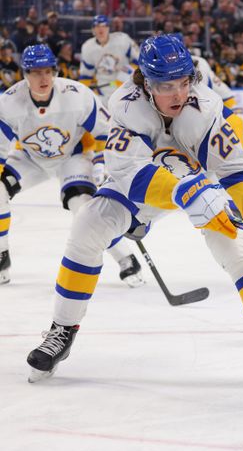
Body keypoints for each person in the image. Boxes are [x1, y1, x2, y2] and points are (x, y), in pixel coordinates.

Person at [25, 35, 243, 392]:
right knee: (88, 224)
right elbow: (130, 173)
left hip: (198, 182)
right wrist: (180, 195)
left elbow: (235, 170)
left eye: (184, 82)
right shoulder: (125, 106)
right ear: (147, 84)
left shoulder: (206, 107)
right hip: (143, 188)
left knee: (237, 248)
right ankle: (62, 330)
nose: (179, 95)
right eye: (167, 86)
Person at [0, 44, 143, 287]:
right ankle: (2, 256)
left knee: (85, 209)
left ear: (55, 71)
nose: (43, 78)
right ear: (25, 74)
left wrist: (101, 163)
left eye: (47, 71)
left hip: (71, 158)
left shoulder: (78, 95)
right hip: (30, 159)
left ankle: (126, 259)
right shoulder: (9, 103)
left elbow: (106, 133)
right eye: (35, 72)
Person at [79, 14, 140, 107]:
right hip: (103, 88)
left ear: (108, 28)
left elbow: (140, 61)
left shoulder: (122, 39)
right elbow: (86, 75)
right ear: (93, 30)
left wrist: (127, 75)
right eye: (97, 26)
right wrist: (88, 92)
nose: (101, 29)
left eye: (104, 26)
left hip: (126, 84)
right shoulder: (88, 47)